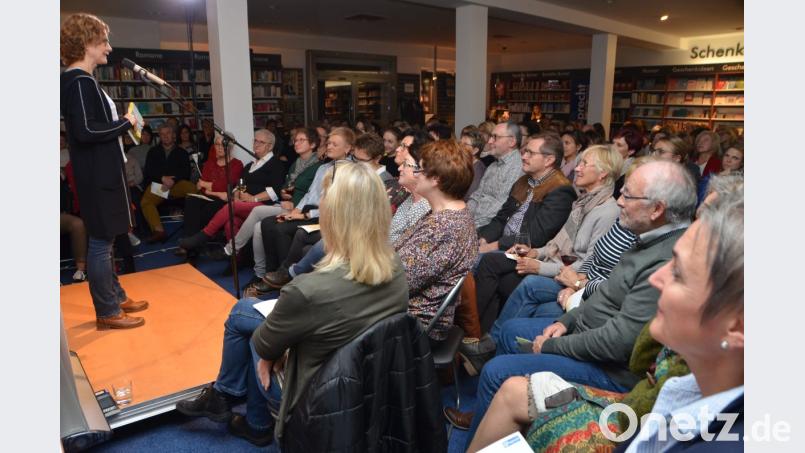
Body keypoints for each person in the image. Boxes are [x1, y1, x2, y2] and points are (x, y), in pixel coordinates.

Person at [448, 161, 698, 440]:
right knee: (510, 330)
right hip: (587, 331)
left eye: (628, 195)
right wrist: (567, 321)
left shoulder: (667, 259)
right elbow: (606, 294)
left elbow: (618, 343)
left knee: (496, 371)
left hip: (609, 370)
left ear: (657, 209)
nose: (619, 201)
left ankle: (487, 424)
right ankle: (492, 413)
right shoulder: (647, 238)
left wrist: (553, 345)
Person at [175, 162, 409, 446]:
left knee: (244, 319)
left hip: (315, 391)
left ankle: (234, 403)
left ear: (332, 213)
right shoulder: (396, 267)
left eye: (324, 198)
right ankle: (244, 413)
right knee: (250, 317)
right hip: (371, 382)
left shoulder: (307, 290)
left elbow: (264, 343)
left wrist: (271, 354)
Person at [473, 145, 622, 352]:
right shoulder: (583, 203)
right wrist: (535, 252)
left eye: (584, 164)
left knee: (521, 279)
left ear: (603, 173)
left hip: (569, 275)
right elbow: (556, 243)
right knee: (492, 262)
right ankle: (477, 335)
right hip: (556, 264)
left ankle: (489, 341)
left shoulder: (607, 211)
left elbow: (588, 263)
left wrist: (540, 267)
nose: (577, 168)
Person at [60, 13, 148, 329]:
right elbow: (86, 131)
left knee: (106, 241)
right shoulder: (80, 81)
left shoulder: (77, 80)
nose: (109, 48)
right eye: (104, 42)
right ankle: (108, 311)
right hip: (99, 176)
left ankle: (116, 297)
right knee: (101, 242)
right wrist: (126, 122)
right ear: (87, 44)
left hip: (98, 173)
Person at [394, 139, 478, 345]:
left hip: (412, 324)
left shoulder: (443, 228)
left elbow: (396, 283)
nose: (415, 174)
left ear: (436, 179)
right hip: (404, 313)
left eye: (420, 170)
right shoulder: (449, 214)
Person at [222, 127, 323, 264]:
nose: (296, 143)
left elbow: (312, 194)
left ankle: (229, 249)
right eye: (295, 140)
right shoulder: (295, 164)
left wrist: (254, 198)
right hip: (285, 204)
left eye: (301, 140)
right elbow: (284, 186)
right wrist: (284, 192)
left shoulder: (319, 167)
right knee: (250, 225)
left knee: (246, 209)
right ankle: (259, 271)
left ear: (313, 144)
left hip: (298, 208)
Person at [178, 129, 286, 253]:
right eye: (255, 141)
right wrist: (237, 195)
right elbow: (238, 185)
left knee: (231, 206)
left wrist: (253, 198)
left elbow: (275, 191)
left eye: (261, 142)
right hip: (243, 204)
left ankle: (202, 237)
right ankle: (236, 258)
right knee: (230, 223)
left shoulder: (276, 164)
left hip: (262, 205)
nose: (256, 144)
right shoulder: (250, 165)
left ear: (270, 146)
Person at [477, 133, 576, 254]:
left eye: (530, 153)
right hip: (502, 243)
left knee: (480, 260)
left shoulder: (561, 191)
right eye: (524, 152)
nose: (523, 157)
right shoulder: (523, 181)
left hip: (525, 253)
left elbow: (537, 236)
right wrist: (485, 239)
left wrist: (494, 246)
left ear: (549, 160)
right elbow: (502, 218)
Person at [176, 132, 244, 256]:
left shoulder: (237, 164)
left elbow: (226, 185)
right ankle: (192, 245)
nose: (219, 148)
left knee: (206, 210)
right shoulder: (210, 163)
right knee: (191, 200)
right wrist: (213, 189)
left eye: (222, 145)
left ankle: (190, 247)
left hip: (222, 200)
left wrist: (209, 188)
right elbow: (202, 188)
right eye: (217, 144)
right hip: (207, 197)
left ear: (230, 147)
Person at [140, 123, 196, 243]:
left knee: (194, 190)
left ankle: (194, 229)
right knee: (146, 201)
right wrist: (162, 178)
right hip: (160, 186)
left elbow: (186, 172)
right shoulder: (153, 151)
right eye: (162, 134)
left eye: (168, 133)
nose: (165, 136)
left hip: (177, 185)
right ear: (159, 136)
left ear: (173, 135)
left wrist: (173, 180)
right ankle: (159, 231)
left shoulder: (182, 152)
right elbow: (149, 170)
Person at [467, 121, 525, 229]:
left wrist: (472, 226)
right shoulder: (493, 165)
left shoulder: (517, 167)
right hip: (473, 222)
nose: (489, 141)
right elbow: (476, 196)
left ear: (511, 141)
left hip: (486, 228)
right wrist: (465, 217)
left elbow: (500, 209)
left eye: (495, 137)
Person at [611, 126, 644, 199]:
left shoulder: (631, 174)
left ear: (630, 151)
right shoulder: (612, 164)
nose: (612, 147)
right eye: (613, 142)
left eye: (619, 145)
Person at [460, 126, 488, 201]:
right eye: (460, 143)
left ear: (475, 151)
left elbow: (469, 199)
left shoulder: (478, 171)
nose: (459, 147)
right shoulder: (464, 165)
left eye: (465, 144)